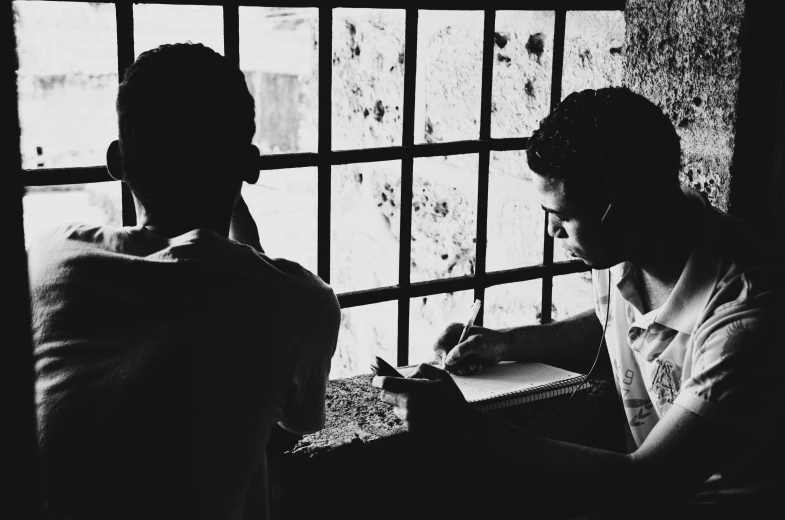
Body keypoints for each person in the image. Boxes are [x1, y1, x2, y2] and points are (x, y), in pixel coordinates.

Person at [373, 87, 782, 519]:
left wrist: (463, 428)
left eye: (562, 216)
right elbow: (632, 324)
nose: (553, 232)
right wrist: (508, 343)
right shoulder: (635, 241)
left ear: (621, 208)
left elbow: (649, 481)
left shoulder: (747, 316)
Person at [28, 43, 340, 520]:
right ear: (250, 166)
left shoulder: (49, 258)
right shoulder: (300, 302)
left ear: (118, 161)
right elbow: (289, 421)